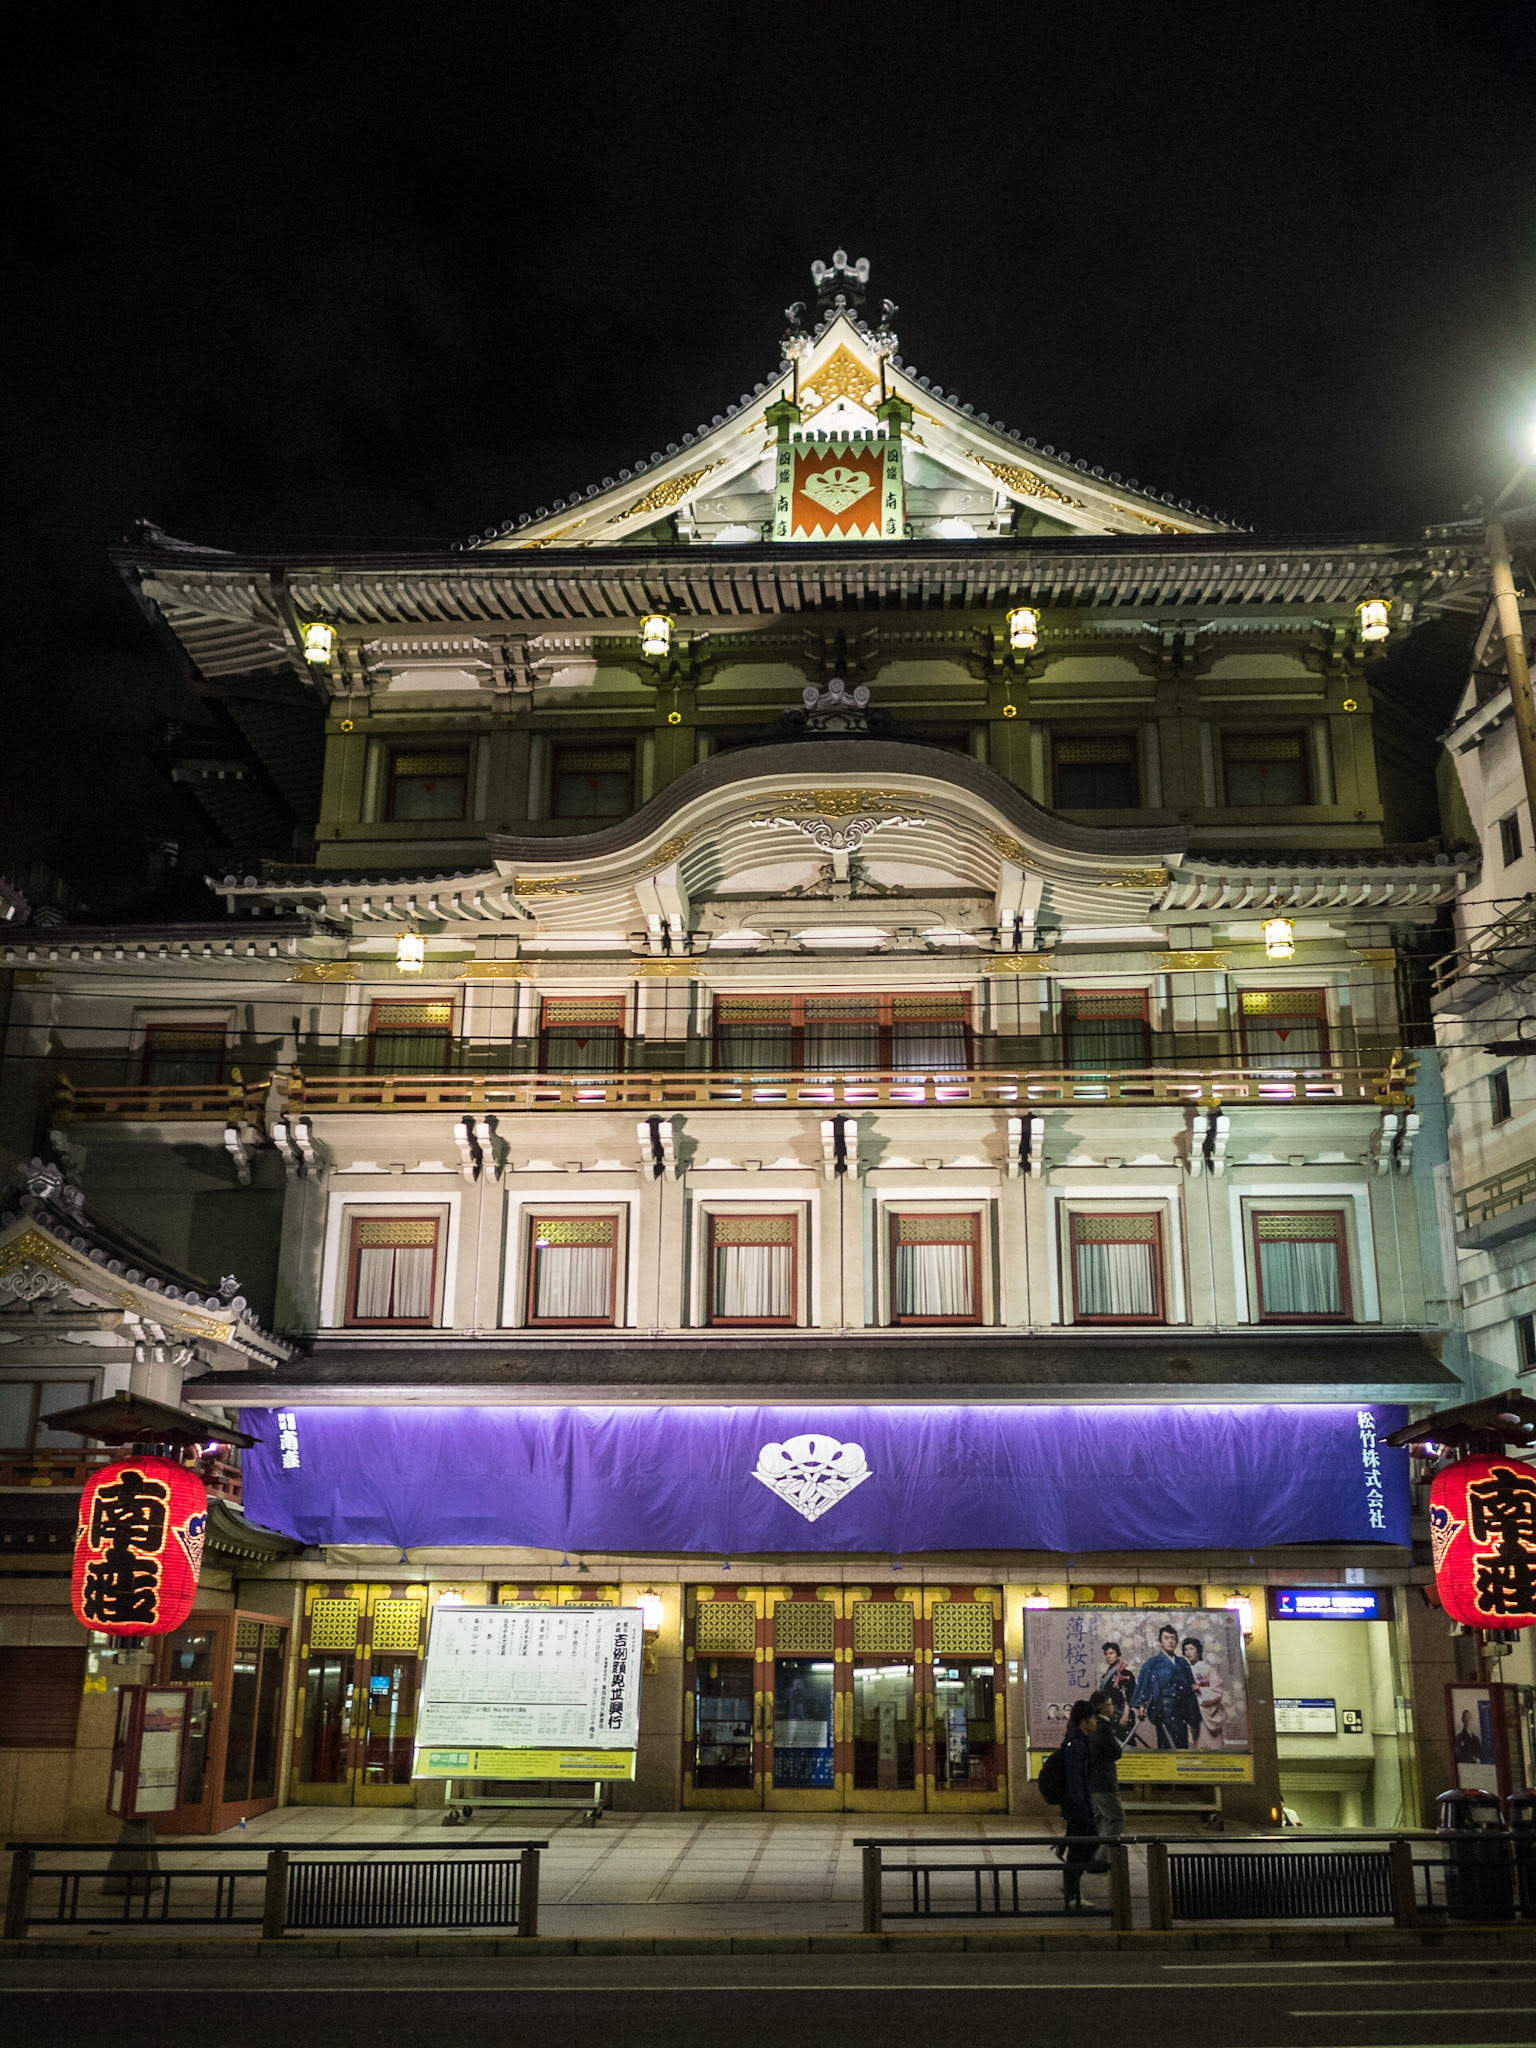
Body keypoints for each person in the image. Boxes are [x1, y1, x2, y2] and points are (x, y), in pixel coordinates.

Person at [1059, 1699, 1104, 1910]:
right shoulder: (1077, 1743)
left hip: (1079, 1805)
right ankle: (1072, 1892)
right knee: (1081, 1848)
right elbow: (1075, 1778)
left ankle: (1072, 1886)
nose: (1096, 1722)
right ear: (1084, 1721)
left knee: (1087, 1843)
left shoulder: (1079, 1740)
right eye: (1093, 1718)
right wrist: (1082, 1806)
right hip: (1078, 1807)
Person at [1130, 1623, 1199, 1749]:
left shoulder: (1182, 1663)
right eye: (1166, 1638)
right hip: (1163, 1710)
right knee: (1166, 1745)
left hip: (1181, 1711)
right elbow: (1144, 1685)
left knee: (1182, 1745)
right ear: (1160, 1641)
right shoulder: (1152, 1663)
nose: (1170, 1641)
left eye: (1173, 1638)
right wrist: (1142, 1705)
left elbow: (1190, 1687)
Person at [1086, 1689, 1124, 1844]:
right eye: (1109, 1704)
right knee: (1115, 1818)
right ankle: (1101, 1854)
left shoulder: (1091, 1725)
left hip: (1093, 1780)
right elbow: (1116, 1752)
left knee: (1100, 1818)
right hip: (1104, 1781)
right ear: (1101, 1707)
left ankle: (1094, 1853)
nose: (1112, 1707)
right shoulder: (1103, 1727)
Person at [1181, 1635, 1224, 1749]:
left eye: (1191, 1649)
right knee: (1199, 1745)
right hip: (1194, 1713)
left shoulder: (1207, 1668)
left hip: (1207, 1712)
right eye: (1186, 1649)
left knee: (1213, 1746)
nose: (1188, 1652)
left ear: (1198, 1650)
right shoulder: (1185, 1670)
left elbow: (1217, 1690)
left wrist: (1200, 1689)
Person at [1096, 1642, 1136, 1737]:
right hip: (1108, 1714)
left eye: (1111, 1653)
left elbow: (1129, 1696)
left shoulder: (1126, 1674)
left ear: (1118, 1655)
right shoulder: (1105, 1676)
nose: (1108, 1656)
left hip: (1122, 1713)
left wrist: (1125, 1715)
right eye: (1106, 1654)